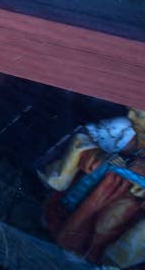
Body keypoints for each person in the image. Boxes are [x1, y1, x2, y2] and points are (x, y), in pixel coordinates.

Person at [38, 108, 145, 267]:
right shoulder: (130, 127)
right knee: (89, 196)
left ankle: (85, 252)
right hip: (117, 164)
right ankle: (64, 237)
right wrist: (121, 153)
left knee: (110, 220)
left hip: (133, 187)